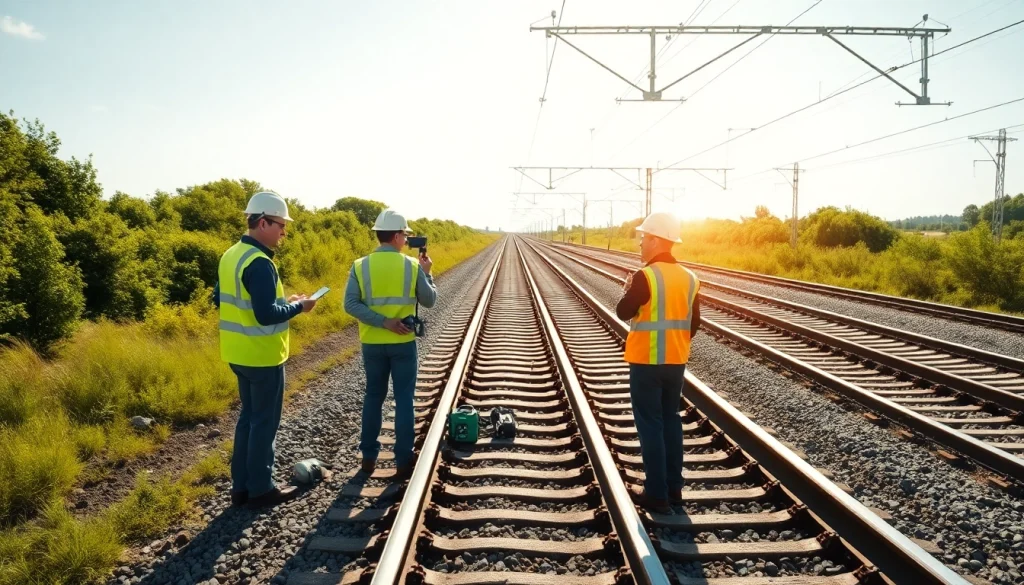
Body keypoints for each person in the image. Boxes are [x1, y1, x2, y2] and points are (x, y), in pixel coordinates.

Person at [213, 191, 317, 509]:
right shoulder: (260, 263)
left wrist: (282, 302)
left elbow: (222, 299)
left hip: (237, 352)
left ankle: (241, 488)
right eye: (280, 225)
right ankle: (261, 490)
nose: (284, 232)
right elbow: (265, 315)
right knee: (263, 423)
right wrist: (299, 307)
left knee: (248, 419)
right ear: (262, 222)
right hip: (262, 355)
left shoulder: (231, 255)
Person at [616, 211, 701, 514]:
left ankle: (656, 494)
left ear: (655, 240)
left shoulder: (645, 276)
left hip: (647, 362)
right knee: (670, 421)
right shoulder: (690, 279)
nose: (640, 243)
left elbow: (623, 312)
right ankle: (674, 489)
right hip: (675, 362)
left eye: (643, 238)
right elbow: (694, 324)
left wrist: (627, 290)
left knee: (650, 423)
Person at [344, 209, 436, 478]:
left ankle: (369, 458)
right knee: (404, 398)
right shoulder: (412, 265)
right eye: (405, 235)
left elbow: (350, 304)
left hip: (372, 343)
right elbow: (429, 301)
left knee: (374, 396)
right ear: (396, 236)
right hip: (403, 343)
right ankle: (403, 460)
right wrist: (427, 274)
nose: (406, 240)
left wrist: (382, 322)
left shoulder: (360, 265)